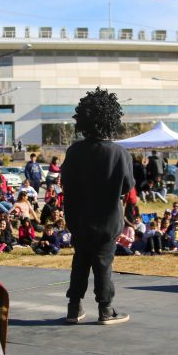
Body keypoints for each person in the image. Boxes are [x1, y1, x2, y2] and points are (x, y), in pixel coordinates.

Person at [62, 88, 134, 325]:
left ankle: (74, 308)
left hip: (79, 218)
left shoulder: (73, 151)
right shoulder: (119, 153)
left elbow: (66, 183)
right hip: (106, 218)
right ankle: (106, 310)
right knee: (103, 263)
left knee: (80, 261)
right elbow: (126, 186)